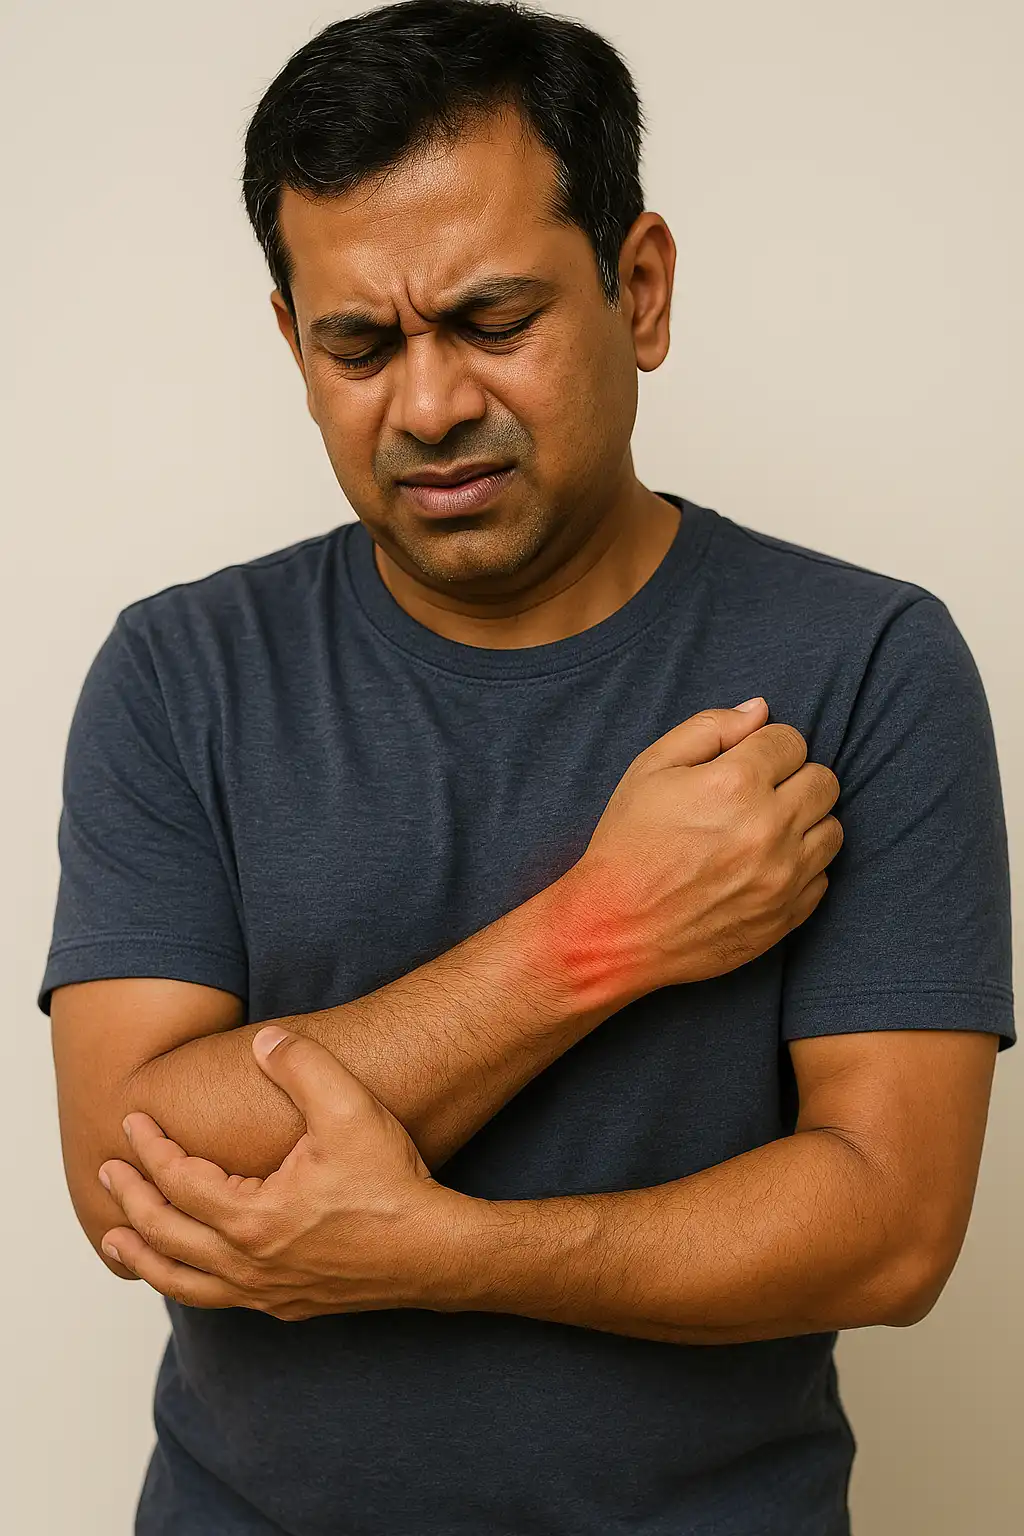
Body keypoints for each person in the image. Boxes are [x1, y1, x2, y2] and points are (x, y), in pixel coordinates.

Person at [39, 3, 1014, 1533]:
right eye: (360, 345)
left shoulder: (867, 661)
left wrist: (442, 1251)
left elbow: (890, 1229)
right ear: (292, 344)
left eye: (494, 322)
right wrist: (596, 933)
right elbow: (129, 1165)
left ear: (641, 289)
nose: (430, 406)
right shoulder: (178, 672)